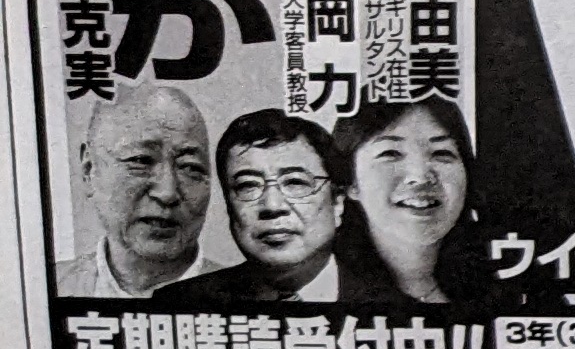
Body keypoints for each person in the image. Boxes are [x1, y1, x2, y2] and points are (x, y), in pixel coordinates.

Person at [157, 109, 348, 305]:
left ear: (337, 203)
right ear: (229, 205)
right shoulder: (177, 303)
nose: (272, 206)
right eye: (248, 185)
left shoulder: (371, 297)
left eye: (295, 182)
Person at [53, 82, 216, 299]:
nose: (167, 193)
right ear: (89, 170)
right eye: (141, 161)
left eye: (190, 167)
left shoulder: (251, 301)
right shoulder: (44, 289)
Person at [331, 98, 491, 305]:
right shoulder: (322, 289)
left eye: (442, 153)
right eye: (390, 153)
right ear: (351, 182)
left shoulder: (499, 281)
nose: (420, 176)